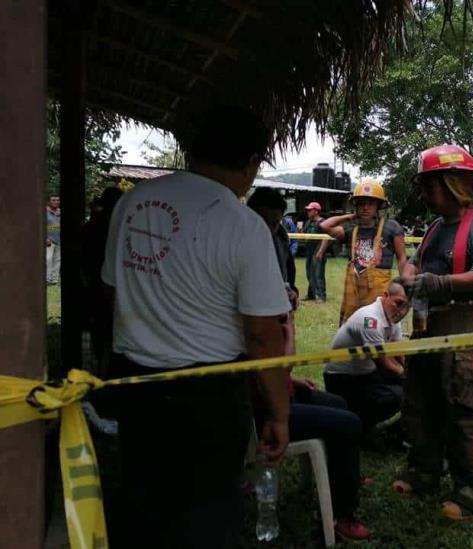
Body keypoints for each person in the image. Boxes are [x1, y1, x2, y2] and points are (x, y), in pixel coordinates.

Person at [102, 104, 291, 549]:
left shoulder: (134, 202)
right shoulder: (243, 225)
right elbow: (263, 335)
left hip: (134, 382)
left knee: (143, 500)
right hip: (207, 397)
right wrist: (279, 414)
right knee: (206, 512)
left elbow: (111, 292)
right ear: (250, 163)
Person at [247, 186, 370, 541]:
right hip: (260, 408)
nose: (270, 231)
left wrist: (289, 383)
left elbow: (271, 367)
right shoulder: (260, 321)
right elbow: (277, 357)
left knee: (338, 403)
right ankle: (344, 517)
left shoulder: (264, 293)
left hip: (267, 390)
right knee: (347, 423)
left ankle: (336, 476)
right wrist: (286, 326)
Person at [394, 144, 473, 521]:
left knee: (468, 410)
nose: (425, 195)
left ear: (451, 184)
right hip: (428, 327)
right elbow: (413, 264)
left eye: (429, 186)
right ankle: (424, 471)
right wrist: (408, 277)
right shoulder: (435, 228)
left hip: (465, 324)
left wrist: (440, 283)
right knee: (422, 401)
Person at [324, 278, 410, 430]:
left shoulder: (392, 317)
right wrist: (407, 376)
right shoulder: (370, 320)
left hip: (366, 373)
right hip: (343, 380)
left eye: (407, 307)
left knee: (409, 387)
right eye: (399, 303)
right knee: (397, 396)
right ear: (385, 296)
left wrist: (409, 372)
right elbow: (383, 364)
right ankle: (362, 425)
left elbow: (398, 352)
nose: (402, 311)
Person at [320, 179, 408, 324]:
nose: (365, 208)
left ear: (378, 206)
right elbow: (325, 226)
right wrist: (350, 217)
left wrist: (404, 287)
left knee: (377, 326)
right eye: (361, 203)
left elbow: (402, 258)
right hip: (353, 289)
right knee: (352, 326)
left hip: (379, 289)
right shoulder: (351, 228)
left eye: (370, 203)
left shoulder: (391, 227)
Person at [81, 186, 124, 377]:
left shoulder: (91, 226)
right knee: (109, 332)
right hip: (108, 286)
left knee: (101, 332)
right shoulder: (119, 228)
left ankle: (100, 369)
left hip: (96, 285)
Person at [303, 202, 329, 303]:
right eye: (307, 210)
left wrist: (321, 251)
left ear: (316, 211)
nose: (308, 212)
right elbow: (304, 234)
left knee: (318, 274)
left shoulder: (322, 222)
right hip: (309, 251)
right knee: (309, 273)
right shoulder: (308, 222)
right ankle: (311, 294)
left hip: (318, 250)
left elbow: (326, 238)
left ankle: (321, 296)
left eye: (310, 210)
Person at [46, 193, 61, 285]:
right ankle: (48, 278)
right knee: (48, 259)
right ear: (49, 202)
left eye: (58, 200)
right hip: (49, 240)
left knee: (57, 260)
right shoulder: (45, 212)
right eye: (53, 200)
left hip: (59, 239)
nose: (56, 202)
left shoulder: (60, 212)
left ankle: (55, 280)